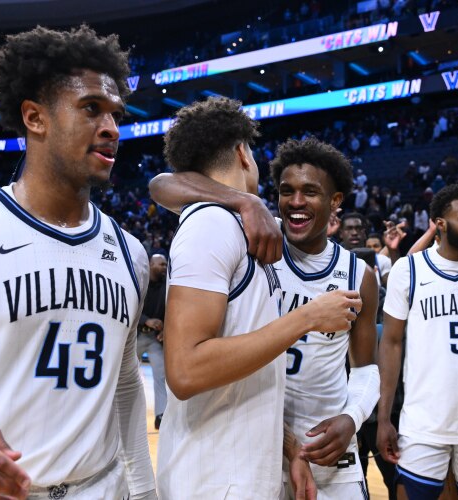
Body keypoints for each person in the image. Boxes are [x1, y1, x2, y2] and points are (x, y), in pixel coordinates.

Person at [0, 25, 155, 499]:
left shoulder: (130, 252)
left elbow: (125, 384)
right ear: (35, 118)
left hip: (103, 487)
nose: (112, 128)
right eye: (91, 108)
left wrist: (145, 492)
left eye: (116, 114)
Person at [153, 98, 362, 500]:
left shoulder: (241, 225)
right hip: (216, 478)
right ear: (242, 153)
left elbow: (245, 372)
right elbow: (185, 371)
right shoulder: (212, 223)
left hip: (241, 468)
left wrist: (290, 448)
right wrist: (308, 317)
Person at [377, 183, 458, 500]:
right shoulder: (409, 269)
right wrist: (384, 417)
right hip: (423, 424)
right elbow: (391, 344)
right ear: (440, 224)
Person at [137, 253, 168, 429]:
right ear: (150, 264)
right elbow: (130, 306)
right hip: (136, 336)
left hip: (155, 338)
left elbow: (172, 311)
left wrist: (165, 329)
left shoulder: (167, 286)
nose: (164, 267)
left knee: (160, 377)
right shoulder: (140, 282)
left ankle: (160, 416)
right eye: (161, 264)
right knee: (124, 375)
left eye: (165, 265)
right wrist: (146, 320)